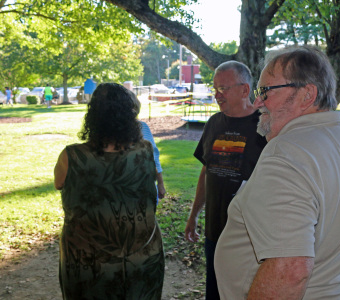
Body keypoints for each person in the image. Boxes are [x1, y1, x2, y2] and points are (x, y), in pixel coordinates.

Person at [215, 46, 340, 299]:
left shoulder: (285, 154)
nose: (258, 102)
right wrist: (339, 279)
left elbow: (290, 270)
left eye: (266, 91)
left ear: (307, 94)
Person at [54, 83, 164, 299]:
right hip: (141, 257)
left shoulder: (71, 157)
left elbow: (59, 184)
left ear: (93, 116)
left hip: (87, 264)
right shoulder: (145, 151)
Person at [184, 61, 267, 299]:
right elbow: (207, 172)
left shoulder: (266, 126)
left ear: (244, 90)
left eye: (224, 89)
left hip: (249, 237)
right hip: (215, 230)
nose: (217, 95)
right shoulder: (214, 123)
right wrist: (194, 214)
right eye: (215, 89)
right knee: (215, 292)